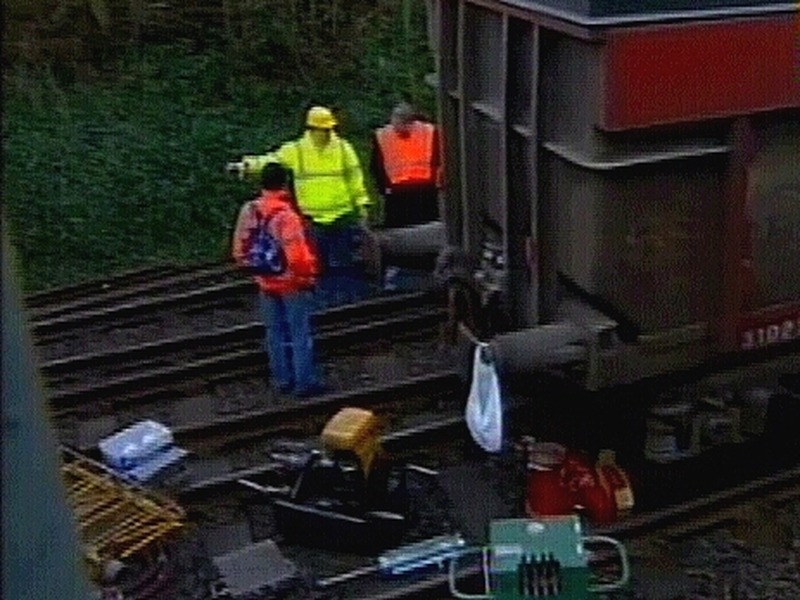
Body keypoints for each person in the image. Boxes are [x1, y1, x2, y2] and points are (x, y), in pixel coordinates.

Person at [233, 106, 372, 307]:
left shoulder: (343, 148)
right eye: (322, 129)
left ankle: (349, 302)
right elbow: (271, 160)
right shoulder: (297, 151)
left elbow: (355, 180)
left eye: (329, 129)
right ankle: (326, 303)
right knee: (319, 265)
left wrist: (361, 207)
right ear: (311, 129)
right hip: (314, 219)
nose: (326, 133)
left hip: (344, 216)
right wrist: (247, 166)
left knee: (346, 263)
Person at [231, 162, 327, 398]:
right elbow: (296, 257)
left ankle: (281, 379)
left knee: (273, 333)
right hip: (290, 283)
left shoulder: (250, 209)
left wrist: (256, 270)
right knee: (299, 333)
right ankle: (304, 382)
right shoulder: (286, 216)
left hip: (265, 280)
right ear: (285, 184)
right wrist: (308, 277)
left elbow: (238, 249)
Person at [370, 102, 441, 290]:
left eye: (402, 123)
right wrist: (383, 188)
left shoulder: (429, 132)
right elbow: (376, 165)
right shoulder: (382, 136)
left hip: (423, 190)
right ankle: (400, 271)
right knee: (398, 235)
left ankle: (425, 269)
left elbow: (438, 159)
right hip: (398, 193)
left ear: (411, 122)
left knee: (425, 233)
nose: (398, 128)